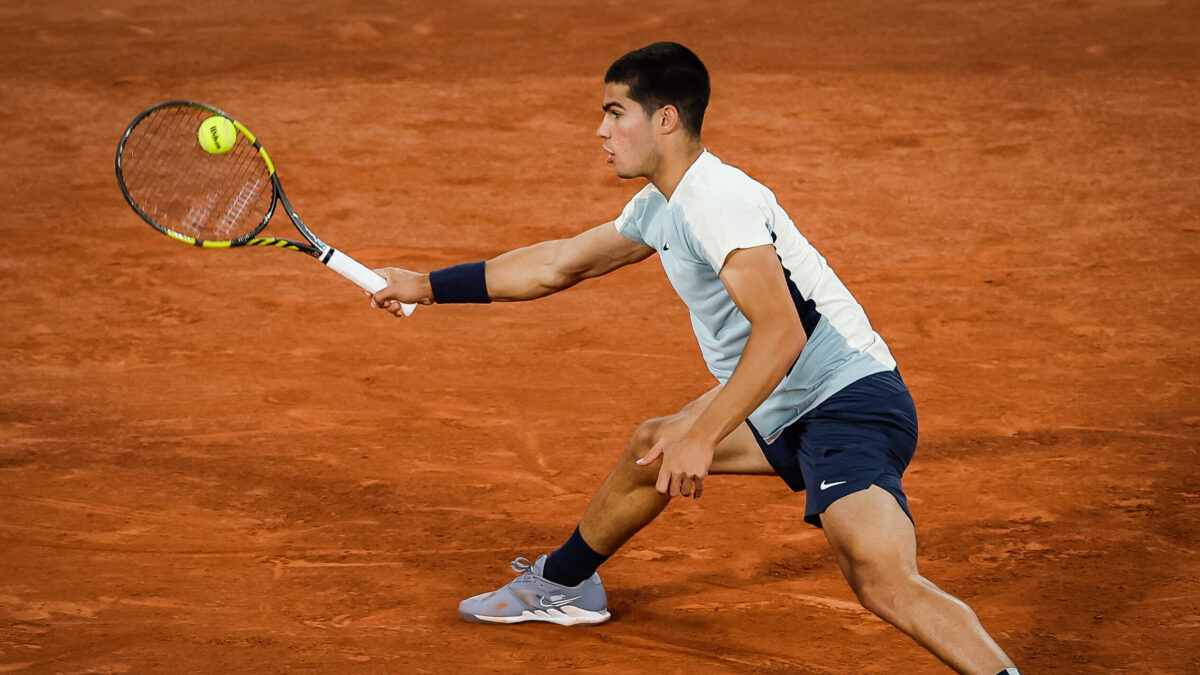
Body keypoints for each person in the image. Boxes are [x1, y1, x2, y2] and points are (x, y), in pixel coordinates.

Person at [370, 42, 1020, 675]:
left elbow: (782, 333)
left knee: (882, 580)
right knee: (651, 446)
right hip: (784, 398)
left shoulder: (717, 200)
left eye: (615, 112)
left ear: (666, 119)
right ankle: (564, 584)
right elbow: (556, 264)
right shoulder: (665, 206)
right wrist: (425, 286)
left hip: (843, 399)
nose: (601, 130)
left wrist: (704, 434)